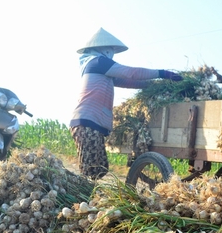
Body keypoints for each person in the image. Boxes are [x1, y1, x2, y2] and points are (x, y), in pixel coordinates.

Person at [70, 27, 183, 180]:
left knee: (100, 168)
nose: (112, 53)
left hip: (91, 123)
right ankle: (81, 200)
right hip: (87, 122)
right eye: (111, 50)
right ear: (103, 48)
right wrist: (161, 73)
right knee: (91, 170)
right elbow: (131, 72)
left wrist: (154, 86)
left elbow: (128, 80)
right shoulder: (97, 62)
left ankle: (87, 199)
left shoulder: (102, 69)